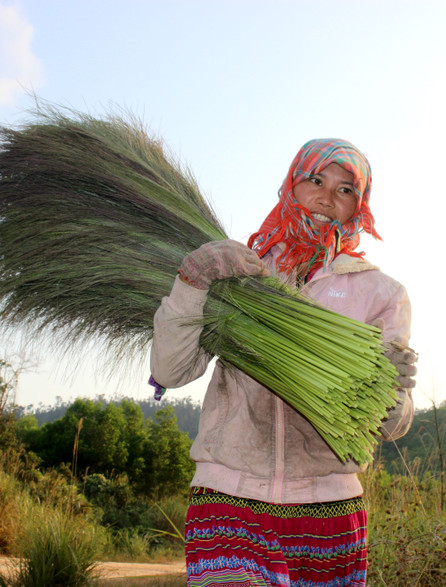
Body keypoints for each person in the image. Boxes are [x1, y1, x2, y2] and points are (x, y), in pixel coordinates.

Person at [149, 138, 417, 587]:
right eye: (315, 179)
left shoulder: (382, 294)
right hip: (230, 497)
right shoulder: (236, 272)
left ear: (360, 206)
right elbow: (172, 372)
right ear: (290, 185)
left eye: (346, 189)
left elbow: (391, 425)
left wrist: (392, 394)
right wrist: (191, 283)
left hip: (328, 513)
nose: (327, 197)